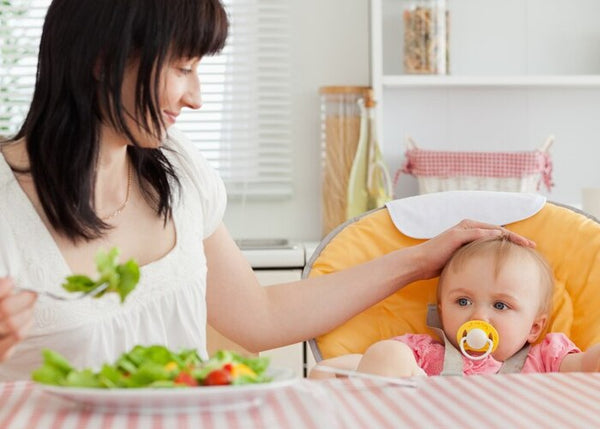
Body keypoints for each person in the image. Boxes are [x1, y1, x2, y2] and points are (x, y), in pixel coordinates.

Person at [0, 0, 533, 381]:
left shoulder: (177, 174)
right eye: (183, 67)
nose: (196, 97)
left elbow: (262, 317)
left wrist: (422, 259)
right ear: (102, 59)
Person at [311, 236, 600, 378]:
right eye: (462, 301)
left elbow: (588, 367)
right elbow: (335, 370)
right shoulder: (421, 353)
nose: (478, 316)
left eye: (501, 305)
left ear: (535, 327)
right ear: (441, 309)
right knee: (388, 353)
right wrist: (372, 363)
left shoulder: (546, 358)